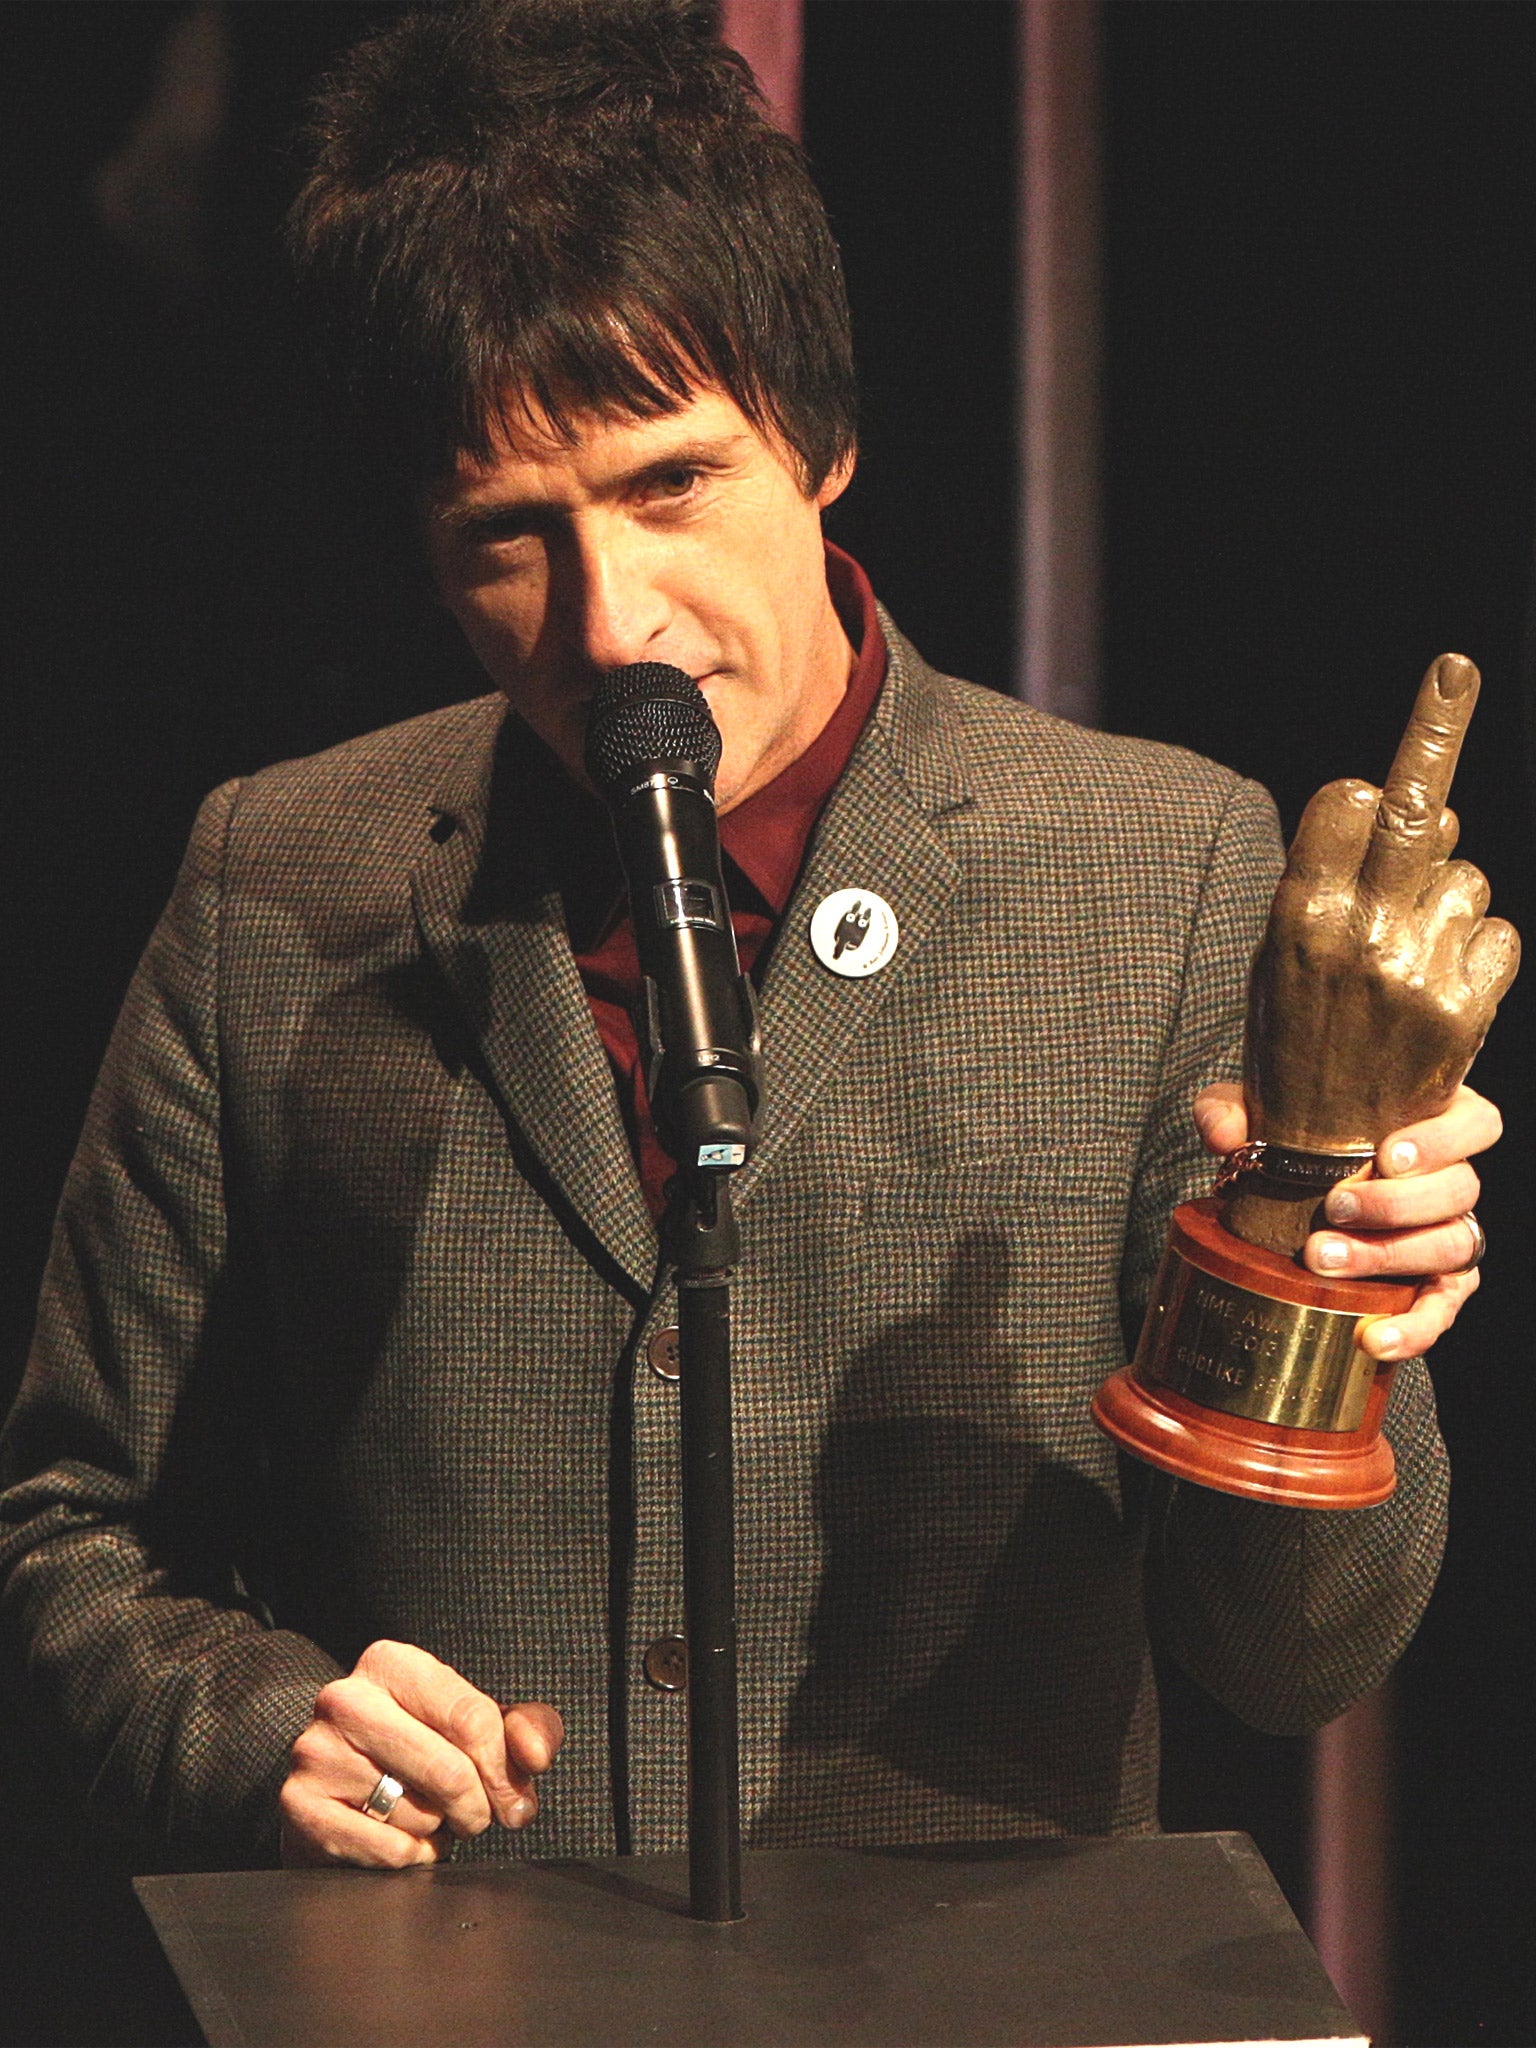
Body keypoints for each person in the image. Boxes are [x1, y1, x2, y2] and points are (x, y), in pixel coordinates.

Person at [0, 0, 1505, 1875]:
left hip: (986, 1994)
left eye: (670, 484)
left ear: (822, 436)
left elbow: (1290, 1660)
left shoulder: (1159, 868)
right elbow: (72, 1533)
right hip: (463, 1987)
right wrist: (261, 1733)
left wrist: (1308, 1268)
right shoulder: (281, 879)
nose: (612, 621)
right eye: (504, 536)